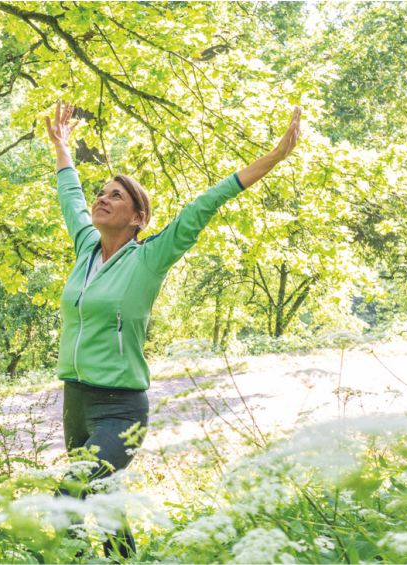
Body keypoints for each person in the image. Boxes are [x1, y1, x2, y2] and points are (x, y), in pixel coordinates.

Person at [43, 101, 301, 559]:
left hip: (119, 407)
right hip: (76, 400)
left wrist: (274, 157)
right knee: (105, 503)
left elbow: (206, 203)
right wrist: (62, 148)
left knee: (70, 496)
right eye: (101, 192)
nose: (102, 198)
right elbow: (71, 197)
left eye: (116, 196)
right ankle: (127, 560)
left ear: (138, 218)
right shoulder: (85, 246)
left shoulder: (150, 257)